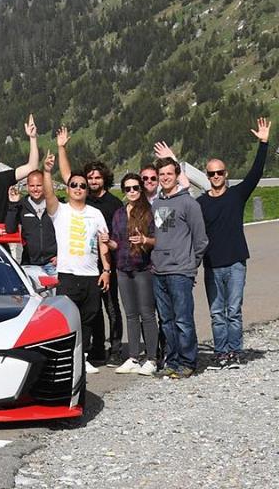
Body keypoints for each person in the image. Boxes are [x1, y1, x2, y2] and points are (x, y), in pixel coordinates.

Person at [196, 117, 270, 369]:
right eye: (211, 173)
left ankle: (235, 351)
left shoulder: (237, 195)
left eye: (219, 172)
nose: (216, 176)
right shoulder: (201, 203)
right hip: (212, 265)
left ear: (226, 174)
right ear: (207, 176)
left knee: (233, 311)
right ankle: (221, 352)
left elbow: (256, 173)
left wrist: (263, 143)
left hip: (236, 262)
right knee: (217, 313)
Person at [56, 127, 124, 365]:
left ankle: (115, 348)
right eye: (89, 178)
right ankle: (94, 349)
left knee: (111, 307)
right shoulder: (80, 198)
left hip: (106, 263)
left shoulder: (113, 203)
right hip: (82, 266)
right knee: (90, 312)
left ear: (104, 179)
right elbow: (67, 175)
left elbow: (117, 234)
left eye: (97, 178)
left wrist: (109, 261)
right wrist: (61, 147)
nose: (92, 182)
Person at [41, 151, 110, 375]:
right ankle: (69, 357)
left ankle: (85, 356)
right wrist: (47, 172)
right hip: (68, 275)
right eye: (74, 185)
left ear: (86, 190)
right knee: (67, 319)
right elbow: (49, 196)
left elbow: (103, 243)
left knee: (89, 318)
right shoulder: (60, 211)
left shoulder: (96, 213)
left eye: (82, 186)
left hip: (91, 275)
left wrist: (106, 270)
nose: (78, 188)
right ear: (68, 189)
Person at [151, 157, 209, 379]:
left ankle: (187, 362)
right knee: (166, 321)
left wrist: (190, 266)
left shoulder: (189, 204)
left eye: (169, 173)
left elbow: (201, 240)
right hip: (159, 271)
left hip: (180, 272)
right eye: (161, 175)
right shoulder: (157, 203)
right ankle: (172, 361)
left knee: (183, 319)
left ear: (176, 175)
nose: (165, 178)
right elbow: (162, 235)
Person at [105, 174, 158, 376]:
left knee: (147, 314)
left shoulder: (149, 212)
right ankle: (134, 356)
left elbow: (158, 240)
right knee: (130, 314)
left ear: (141, 189)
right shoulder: (118, 213)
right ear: (124, 191)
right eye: (128, 188)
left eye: (136, 187)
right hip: (123, 267)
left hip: (143, 268)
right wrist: (108, 242)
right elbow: (116, 242)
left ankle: (152, 358)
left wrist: (145, 240)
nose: (132, 192)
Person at [5, 171, 57, 268]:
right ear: (27, 187)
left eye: (39, 185)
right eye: (32, 186)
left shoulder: (54, 204)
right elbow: (10, 229)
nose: (35, 189)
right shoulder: (21, 205)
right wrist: (13, 204)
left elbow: (66, 232)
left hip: (53, 263)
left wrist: (61, 256)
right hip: (29, 263)